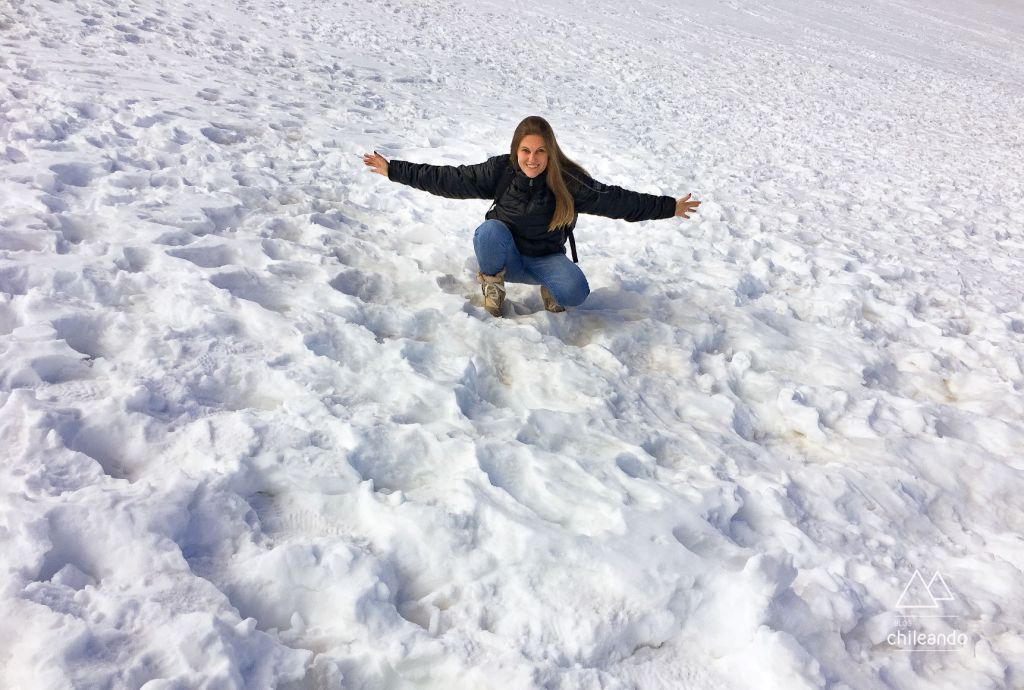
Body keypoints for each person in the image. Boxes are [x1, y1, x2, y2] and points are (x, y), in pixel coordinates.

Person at [362, 116, 700, 317]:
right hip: (505, 256)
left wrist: (668, 206)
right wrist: (394, 170)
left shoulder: (568, 181)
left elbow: (617, 201)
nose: (532, 158)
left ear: (549, 151)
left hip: (544, 260)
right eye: (526, 150)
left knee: (575, 292)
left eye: (540, 151)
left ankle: (551, 288)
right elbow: (450, 178)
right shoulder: (501, 170)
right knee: (489, 231)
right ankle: (493, 284)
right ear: (516, 150)